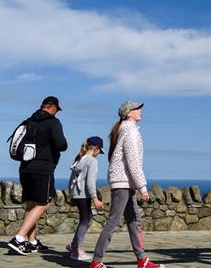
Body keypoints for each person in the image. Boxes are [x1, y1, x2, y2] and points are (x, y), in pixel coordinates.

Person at [90, 101, 164, 268]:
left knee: (134, 220)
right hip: (123, 183)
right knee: (114, 222)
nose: (141, 110)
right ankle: (96, 262)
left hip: (125, 182)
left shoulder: (127, 129)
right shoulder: (130, 132)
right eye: (137, 108)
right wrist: (143, 188)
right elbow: (133, 163)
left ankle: (142, 260)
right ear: (128, 113)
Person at [7, 95, 68, 255]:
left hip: (25, 168)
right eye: (56, 110)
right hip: (43, 169)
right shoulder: (53, 122)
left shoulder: (29, 121)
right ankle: (19, 238)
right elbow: (61, 145)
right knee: (43, 204)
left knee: (31, 204)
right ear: (53, 108)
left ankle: (32, 242)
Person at [67, 136, 105, 262]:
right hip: (84, 195)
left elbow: (72, 179)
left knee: (86, 219)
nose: (99, 153)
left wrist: (72, 195)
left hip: (77, 194)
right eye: (100, 151)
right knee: (85, 220)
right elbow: (90, 182)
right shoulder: (92, 161)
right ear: (96, 148)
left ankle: (73, 245)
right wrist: (95, 198)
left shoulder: (79, 158)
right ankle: (76, 251)